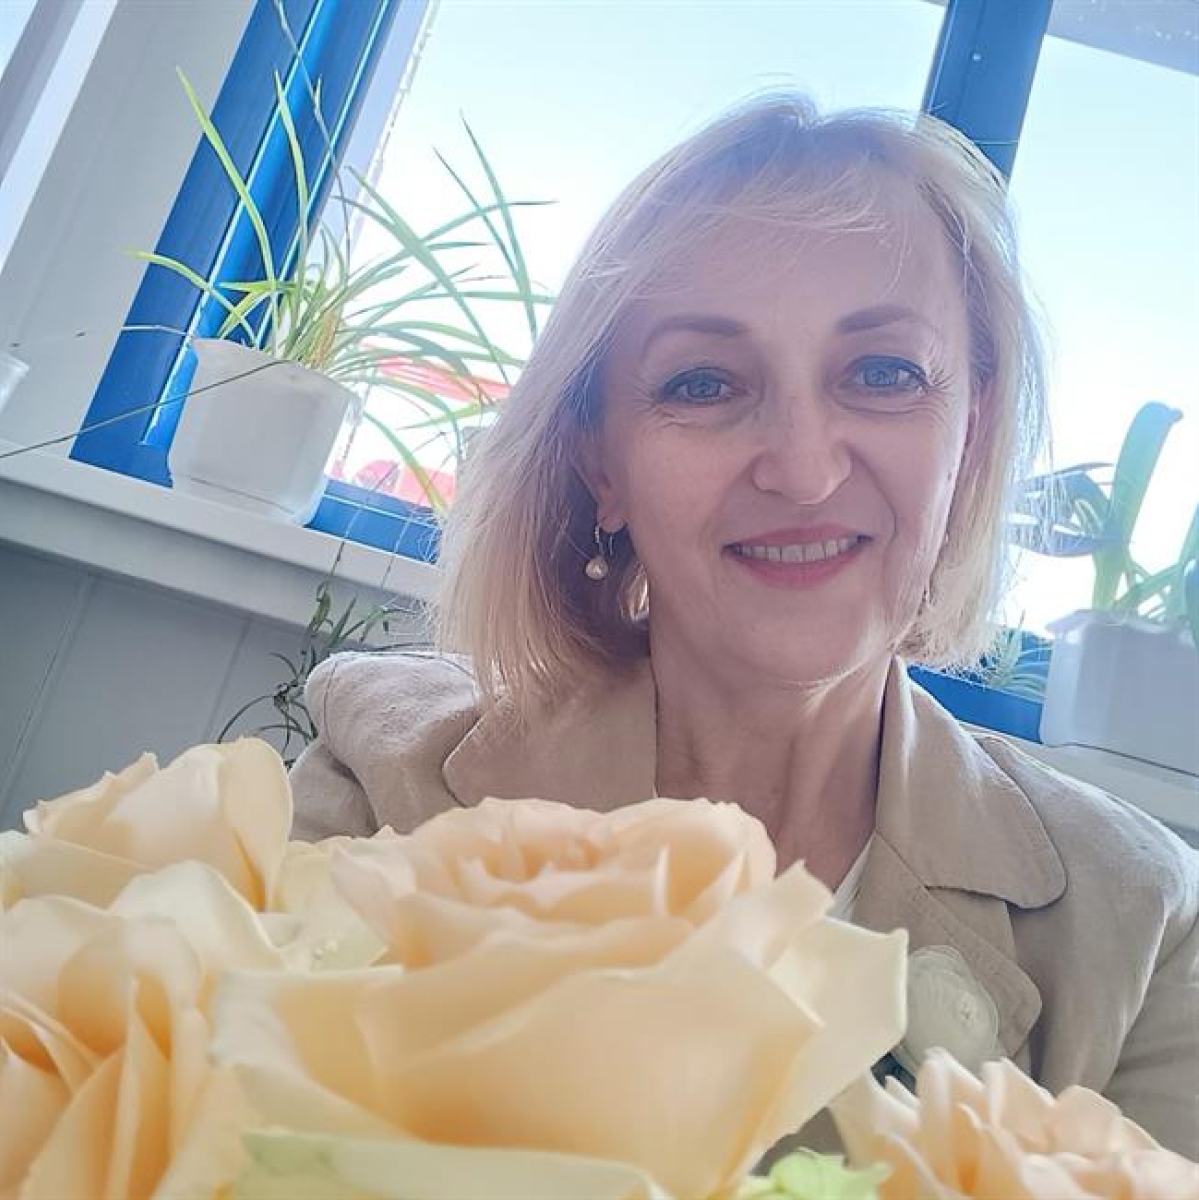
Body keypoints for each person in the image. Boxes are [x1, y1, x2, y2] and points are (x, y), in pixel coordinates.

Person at [290, 95, 1198, 1154]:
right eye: (705, 383)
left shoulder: (1141, 927)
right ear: (599, 460)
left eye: (884, 373)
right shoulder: (388, 785)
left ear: (972, 429)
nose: (804, 470)